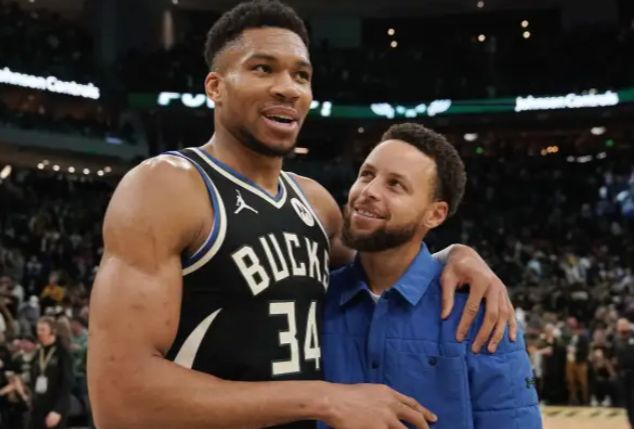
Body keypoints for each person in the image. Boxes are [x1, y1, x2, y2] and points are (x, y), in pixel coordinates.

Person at [88, 2, 516, 429]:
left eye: (301, 75)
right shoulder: (166, 186)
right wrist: (321, 398)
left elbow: (388, 266)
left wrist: (454, 255)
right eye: (263, 69)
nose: (288, 88)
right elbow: (119, 400)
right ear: (216, 87)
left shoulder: (316, 204)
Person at [322, 123, 541, 428]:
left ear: (435, 214)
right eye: (367, 174)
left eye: (395, 184)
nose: (369, 191)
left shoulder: (480, 313)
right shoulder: (315, 297)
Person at [29, 317, 73, 429]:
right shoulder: (38, 352)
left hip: (54, 406)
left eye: (43, 329)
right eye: (38, 329)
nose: (39, 333)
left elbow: (66, 384)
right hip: (38, 406)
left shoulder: (63, 353)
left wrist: (58, 410)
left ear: (52, 331)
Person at [615, 318, 634, 429]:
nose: (622, 329)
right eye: (620, 326)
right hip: (624, 374)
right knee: (627, 401)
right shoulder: (616, 341)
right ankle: (631, 423)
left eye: (624, 326)